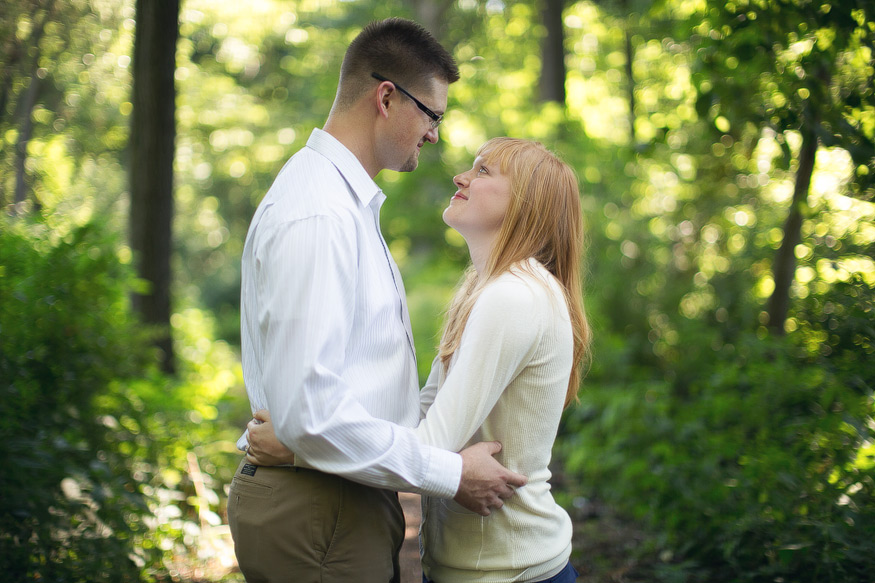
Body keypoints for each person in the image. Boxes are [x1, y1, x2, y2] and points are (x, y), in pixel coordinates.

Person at [227, 18, 527, 583]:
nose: (436, 135)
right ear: (387, 97)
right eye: (432, 114)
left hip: (337, 499)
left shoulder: (346, 205)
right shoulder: (319, 213)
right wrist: (447, 473)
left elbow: (338, 403)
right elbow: (310, 416)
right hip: (318, 513)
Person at [249, 137, 591, 582]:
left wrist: (296, 449)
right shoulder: (485, 289)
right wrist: (313, 432)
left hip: (509, 570)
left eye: (484, 171)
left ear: (527, 203)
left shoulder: (514, 296)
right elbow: (419, 419)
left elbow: (432, 448)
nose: (461, 176)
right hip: (482, 565)